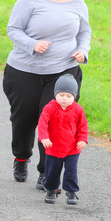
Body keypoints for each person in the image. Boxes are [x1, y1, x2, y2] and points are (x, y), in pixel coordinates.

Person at [2, 0, 91, 188]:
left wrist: (83, 51)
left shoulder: (77, 2)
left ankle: (47, 171)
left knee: (53, 121)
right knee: (23, 119)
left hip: (63, 72)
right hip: (24, 70)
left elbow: (84, 32)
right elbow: (13, 29)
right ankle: (21, 157)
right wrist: (32, 44)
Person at [38, 74, 88, 204]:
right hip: (53, 148)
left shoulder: (78, 109)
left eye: (69, 96)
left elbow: (83, 126)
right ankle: (51, 190)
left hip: (72, 149)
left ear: (74, 96)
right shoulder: (49, 108)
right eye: (61, 95)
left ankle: (71, 192)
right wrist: (44, 138)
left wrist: (82, 139)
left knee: (71, 172)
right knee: (52, 172)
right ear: (55, 94)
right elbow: (43, 123)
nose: (65, 99)